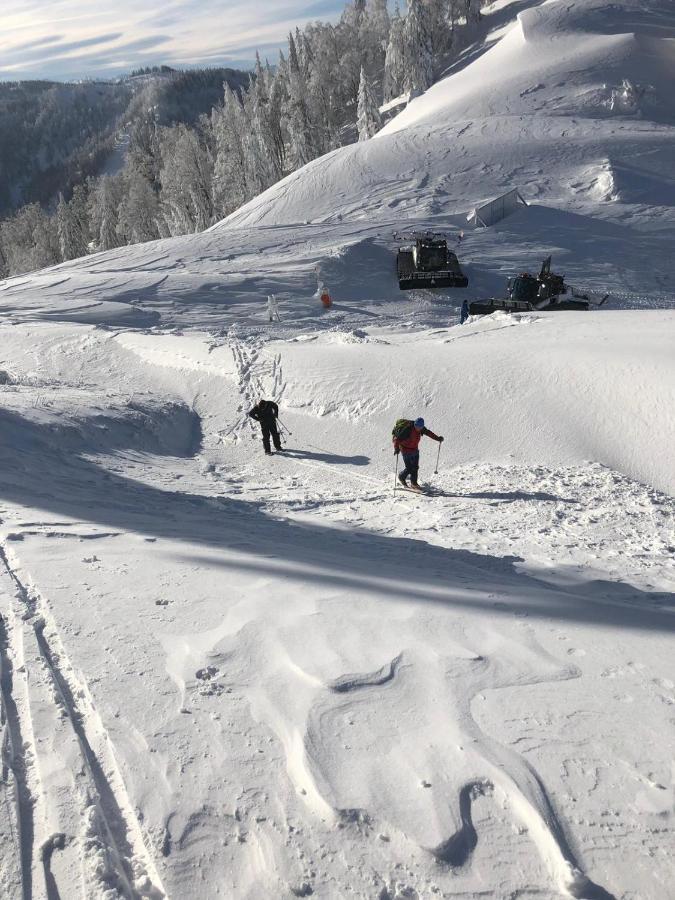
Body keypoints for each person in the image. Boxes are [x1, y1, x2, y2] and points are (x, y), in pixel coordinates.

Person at [393, 417, 443, 489]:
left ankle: (414, 483)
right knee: (409, 468)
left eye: (420, 427)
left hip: (415, 449)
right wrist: (396, 448)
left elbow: (429, 433)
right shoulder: (408, 429)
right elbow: (397, 439)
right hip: (405, 450)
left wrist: (438, 438)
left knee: (415, 467)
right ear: (415, 424)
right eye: (417, 426)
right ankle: (401, 477)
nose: (418, 428)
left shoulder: (421, 428)